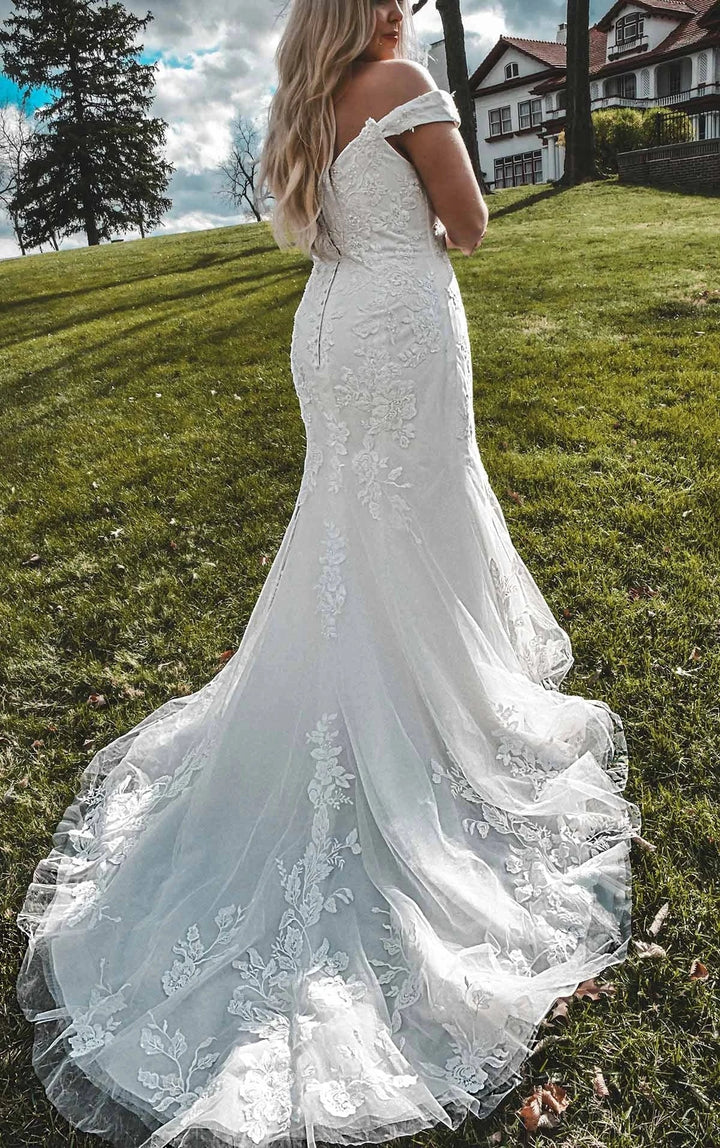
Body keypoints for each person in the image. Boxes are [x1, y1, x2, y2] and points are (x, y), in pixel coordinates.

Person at [15, 1, 642, 1145]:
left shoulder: (304, 99)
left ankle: (369, 690)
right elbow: (473, 223)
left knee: (353, 528)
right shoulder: (400, 83)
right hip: (400, 325)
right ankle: (423, 717)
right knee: (412, 518)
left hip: (329, 329)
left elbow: (330, 228)